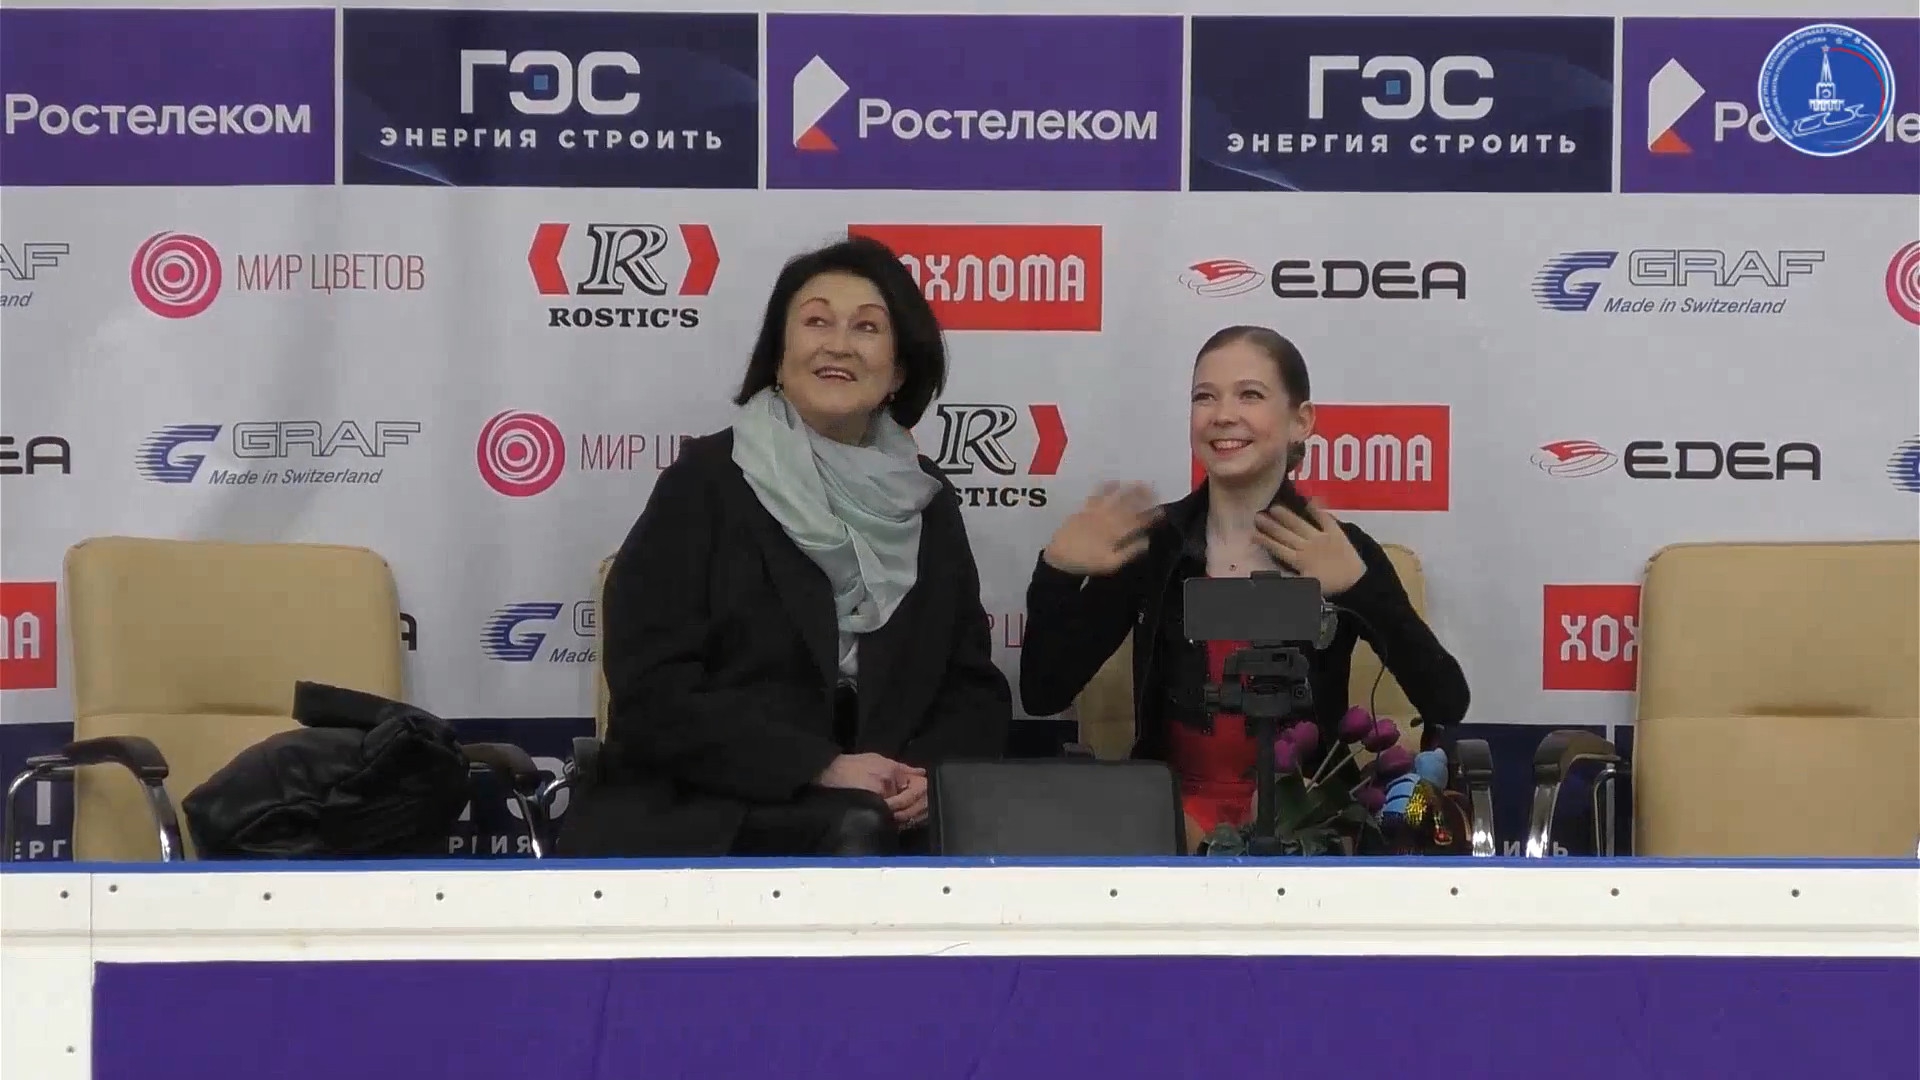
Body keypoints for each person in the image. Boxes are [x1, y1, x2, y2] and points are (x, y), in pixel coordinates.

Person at [559, 236, 1013, 858]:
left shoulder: (927, 500)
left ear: (899, 371)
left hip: (883, 805)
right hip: (711, 802)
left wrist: (930, 776)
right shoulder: (706, 482)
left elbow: (972, 687)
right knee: (856, 827)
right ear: (778, 357)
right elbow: (652, 692)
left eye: (867, 327)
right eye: (817, 321)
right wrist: (818, 767)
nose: (839, 344)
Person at [1019, 326, 1469, 849]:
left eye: (1250, 395)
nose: (1223, 415)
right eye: (1204, 397)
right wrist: (1056, 572)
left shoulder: (1339, 549)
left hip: (1307, 817)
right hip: (1169, 818)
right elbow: (1042, 694)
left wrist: (1359, 590)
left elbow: (1447, 700)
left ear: (1301, 421)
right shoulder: (1154, 546)